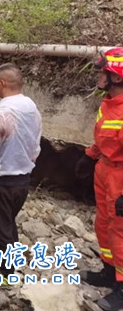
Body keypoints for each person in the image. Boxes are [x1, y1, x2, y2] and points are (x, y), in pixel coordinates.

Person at [0, 63, 41, 282]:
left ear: (2, 83)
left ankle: (7, 273)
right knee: (8, 222)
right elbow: (36, 145)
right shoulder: (32, 108)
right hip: (23, 179)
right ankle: (11, 261)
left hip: (2, 181)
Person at [77, 48, 123, 311]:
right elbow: (104, 136)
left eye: (102, 72)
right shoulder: (110, 102)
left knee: (120, 231)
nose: (98, 76)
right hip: (105, 168)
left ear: (116, 77)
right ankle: (109, 271)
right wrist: (89, 156)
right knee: (104, 223)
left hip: (120, 175)